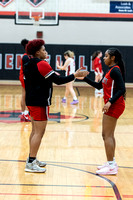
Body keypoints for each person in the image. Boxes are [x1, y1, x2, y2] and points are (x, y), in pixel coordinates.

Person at [23, 39, 89, 173]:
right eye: (43, 49)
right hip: (40, 102)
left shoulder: (28, 63)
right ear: (37, 52)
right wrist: (75, 75)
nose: (46, 51)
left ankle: (32, 158)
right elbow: (58, 81)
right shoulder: (42, 64)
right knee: (39, 133)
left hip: (31, 100)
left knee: (35, 131)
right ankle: (30, 162)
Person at [82, 48, 126, 175]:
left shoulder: (116, 70)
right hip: (112, 105)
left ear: (113, 58)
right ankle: (111, 162)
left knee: (107, 135)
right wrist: (84, 78)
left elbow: (122, 89)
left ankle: (111, 166)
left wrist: (110, 102)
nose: (103, 58)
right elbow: (99, 85)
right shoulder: (110, 70)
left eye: (106, 56)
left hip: (115, 105)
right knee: (107, 135)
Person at [19, 39, 31, 122]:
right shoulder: (26, 56)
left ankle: (25, 112)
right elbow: (27, 69)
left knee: (27, 95)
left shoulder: (29, 55)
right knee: (25, 95)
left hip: (26, 76)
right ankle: (24, 113)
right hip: (25, 76)